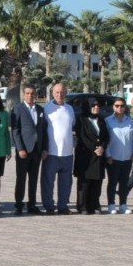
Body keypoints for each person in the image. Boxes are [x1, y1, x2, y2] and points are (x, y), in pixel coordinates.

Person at [39, 84, 76, 214]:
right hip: (51, 152)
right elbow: (42, 130)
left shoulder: (70, 109)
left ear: (66, 92)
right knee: (48, 182)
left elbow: (72, 126)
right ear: (52, 93)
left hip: (67, 153)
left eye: (62, 92)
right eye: (57, 92)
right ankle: (49, 206)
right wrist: (43, 148)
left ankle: (62, 206)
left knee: (66, 182)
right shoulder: (47, 108)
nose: (59, 95)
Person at [10, 86, 43, 214]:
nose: (30, 95)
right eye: (27, 93)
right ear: (24, 95)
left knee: (34, 179)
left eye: (32, 93)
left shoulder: (40, 109)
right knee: (21, 178)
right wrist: (20, 148)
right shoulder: (18, 109)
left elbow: (42, 130)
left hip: (36, 150)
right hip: (24, 150)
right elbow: (15, 130)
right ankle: (18, 204)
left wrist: (43, 148)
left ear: (35, 95)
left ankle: (32, 204)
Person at [74, 96, 110, 214]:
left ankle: (94, 205)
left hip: (99, 155)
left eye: (98, 105)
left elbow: (106, 136)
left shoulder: (101, 120)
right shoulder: (81, 119)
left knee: (97, 181)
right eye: (93, 105)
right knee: (85, 182)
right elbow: (82, 136)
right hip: (86, 155)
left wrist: (102, 147)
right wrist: (94, 148)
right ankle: (82, 206)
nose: (96, 107)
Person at [103, 97, 133, 213]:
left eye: (122, 106)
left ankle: (123, 205)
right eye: (117, 105)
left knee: (124, 183)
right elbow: (105, 140)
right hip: (113, 157)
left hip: (127, 157)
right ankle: (111, 205)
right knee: (112, 182)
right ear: (113, 107)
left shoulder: (130, 121)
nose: (119, 108)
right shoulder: (108, 121)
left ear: (125, 107)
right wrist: (108, 155)